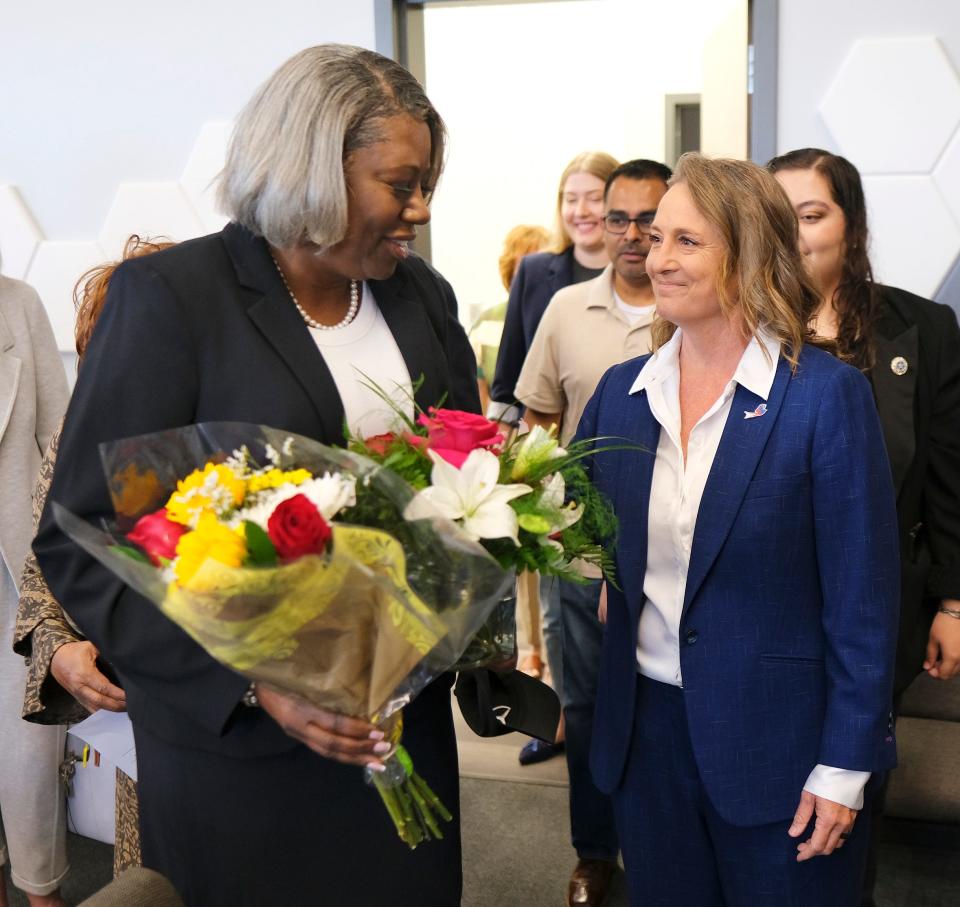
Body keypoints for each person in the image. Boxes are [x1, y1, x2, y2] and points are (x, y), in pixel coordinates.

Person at [33, 45, 478, 907]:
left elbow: (466, 480)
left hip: (399, 724)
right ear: (313, 169)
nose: (418, 210)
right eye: (400, 183)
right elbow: (82, 535)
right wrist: (252, 683)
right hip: (239, 762)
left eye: (427, 184)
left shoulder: (420, 296)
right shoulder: (172, 297)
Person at [576, 154, 900, 906]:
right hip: (646, 740)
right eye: (656, 238)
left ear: (750, 253)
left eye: (686, 242)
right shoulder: (623, 396)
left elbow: (863, 602)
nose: (657, 257)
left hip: (783, 747)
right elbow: (578, 527)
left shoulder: (826, 399)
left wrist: (845, 766)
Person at [769, 147, 960, 906]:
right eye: (777, 218)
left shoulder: (923, 327)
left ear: (851, 226)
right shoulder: (742, 323)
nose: (794, 233)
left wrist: (953, 602)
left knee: (854, 785)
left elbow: (949, 476)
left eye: (812, 215)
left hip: (881, 609)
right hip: (770, 604)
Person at [514, 158, 671, 907]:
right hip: (581, 553)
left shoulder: (693, 309)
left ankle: (662, 845)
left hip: (676, 554)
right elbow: (538, 420)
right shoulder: (566, 310)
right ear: (599, 224)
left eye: (650, 218)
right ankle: (594, 851)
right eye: (620, 218)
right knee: (584, 705)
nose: (634, 235)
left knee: (664, 704)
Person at [14, 236, 174, 877]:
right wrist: (61, 651)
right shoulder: (77, 442)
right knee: (156, 881)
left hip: (263, 727)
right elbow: (40, 578)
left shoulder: (254, 438)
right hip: (141, 732)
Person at [488, 151, 619, 771]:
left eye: (595, 197)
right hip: (551, 455)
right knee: (551, 604)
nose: (583, 209)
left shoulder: (658, 284)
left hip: (613, 479)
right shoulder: (542, 274)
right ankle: (561, 712)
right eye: (572, 197)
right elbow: (514, 373)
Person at [0, 266, 70, 907]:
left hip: (14, 562)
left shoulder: (17, 303)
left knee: (26, 745)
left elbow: (58, 438)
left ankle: (38, 889)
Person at [468, 224, 549, 679]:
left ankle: (531, 650)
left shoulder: (492, 322)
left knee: (529, 556)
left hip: (515, 443)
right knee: (525, 555)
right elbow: (482, 399)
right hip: (510, 445)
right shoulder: (488, 323)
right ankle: (527, 649)